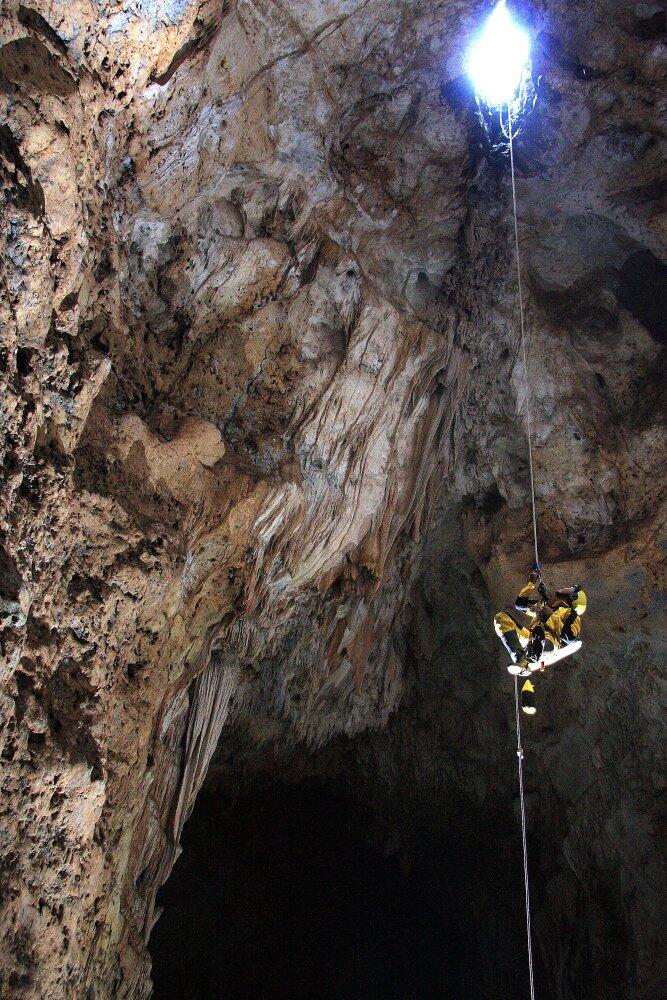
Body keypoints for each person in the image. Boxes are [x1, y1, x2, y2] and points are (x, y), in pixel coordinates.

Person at [494, 568, 587, 714]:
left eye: (571, 588)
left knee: (539, 633)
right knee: (501, 618)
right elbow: (520, 604)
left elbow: (569, 637)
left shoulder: (573, 615)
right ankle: (521, 659)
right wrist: (532, 582)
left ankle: (533, 656)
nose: (566, 586)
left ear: (574, 597)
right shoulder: (546, 606)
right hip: (530, 638)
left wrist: (550, 616)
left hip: (549, 643)